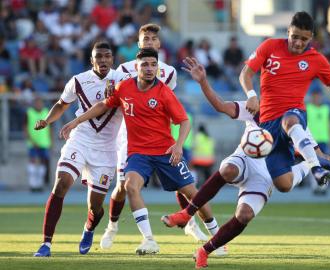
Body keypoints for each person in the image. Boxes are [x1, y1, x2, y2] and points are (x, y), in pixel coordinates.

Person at [161, 57, 330, 269]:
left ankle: (204, 251)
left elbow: (322, 157)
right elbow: (220, 105)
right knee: (227, 168)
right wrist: (203, 82)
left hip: (267, 176)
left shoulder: (297, 126)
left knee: (244, 215)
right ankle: (187, 213)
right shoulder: (255, 107)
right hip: (245, 159)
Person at [60, 48, 224, 255]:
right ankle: (149, 240)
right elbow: (103, 105)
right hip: (138, 154)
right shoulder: (124, 87)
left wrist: (179, 145)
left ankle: (218, 240)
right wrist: (76, 121)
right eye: (144, 64)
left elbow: (184, 121)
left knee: (193, 194)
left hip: (165, 152)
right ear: (136, 67)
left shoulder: (164, 92)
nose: (149, 69)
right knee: (130, 186)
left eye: (153, 65)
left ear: (157, 67)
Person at [239, 11, 330, 194]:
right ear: (288, 31)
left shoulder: (317, 60)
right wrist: (251, 94)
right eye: (294, 37)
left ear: (311, 38)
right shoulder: (269, 46)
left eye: (304, 39)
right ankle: (310, 165)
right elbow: (246, 73)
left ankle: (315, 169)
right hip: (269, 127)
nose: (298, 43)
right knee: (283, 185)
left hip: (294, 116)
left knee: (289, 120)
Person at [100, 23, 209, 251]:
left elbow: (164, 100)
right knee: (123, 186)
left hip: (159, 138)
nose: (149, 42)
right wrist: (110, 84)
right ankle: (112, 226)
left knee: (181, 184)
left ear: (159, 44)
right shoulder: (122, 69)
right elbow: (111, 90)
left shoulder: (168, 71)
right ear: (139, 43)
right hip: (128, 138)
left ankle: (189, 222)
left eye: (153, 39)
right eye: (145, 39)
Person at [33, 41, 129, 257]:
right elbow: (61, 104)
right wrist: (47, 121)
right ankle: (46, 244)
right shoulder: (78, 81)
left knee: (95, 207)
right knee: (61, 184)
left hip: (107, 149)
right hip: (81, 140)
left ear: (112, 59)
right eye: (99, 56)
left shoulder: (123, 81)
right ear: (91, 60)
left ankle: (89, 229)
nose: (103, 60)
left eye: (107, 56)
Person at [24, 96, 52, 192]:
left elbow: (50, 128)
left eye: (40, 103)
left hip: (44, 143)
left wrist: (51, 141)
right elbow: (25, 128)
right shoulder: (29, 113)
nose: (39, 105)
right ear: (34, 103)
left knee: (43, 163)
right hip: (33, 143)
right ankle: (32, 184)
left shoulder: (46, 112)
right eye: (37, 103)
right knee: (33, 162)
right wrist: (31, 140)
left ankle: (39, 185)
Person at [306, 90, 330, 195]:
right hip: (312, 140)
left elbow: (328, 124)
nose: (317, 98)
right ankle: (315, 186)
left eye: (318, 96)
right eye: (315, 96)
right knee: (313, 163)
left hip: (324, 139)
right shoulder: (308, 108)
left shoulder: (326, 109)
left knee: (325, 163)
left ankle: (324, 187)